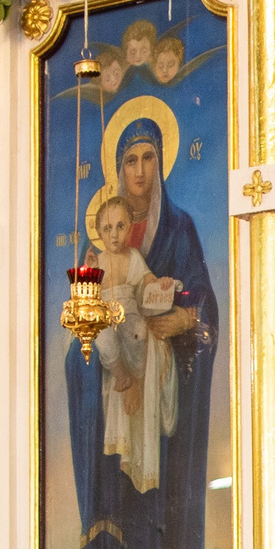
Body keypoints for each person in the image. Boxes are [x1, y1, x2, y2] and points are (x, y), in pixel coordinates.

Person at [64, 112, 223, 549]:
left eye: (147, 159)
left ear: (161, 163)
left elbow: (201, 307)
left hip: (165, 418)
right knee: (119, 530)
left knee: (162, 521)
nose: (138, 171)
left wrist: (185, 322)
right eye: (128, 161)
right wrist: (108, 362)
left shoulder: (179, 229)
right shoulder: (97, 252)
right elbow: (81, 335)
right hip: (111, 415)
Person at [88, 194, 182, 497]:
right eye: (107, 228)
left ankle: (133, 379)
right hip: (108, 323)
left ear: (130, 228)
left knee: (137, 332)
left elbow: (147, 285)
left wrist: (162, 284)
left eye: (120, 227)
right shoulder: (99, 262)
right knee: (104, 337)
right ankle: (124, 378)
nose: (114, 235)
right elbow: (86, 297)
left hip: (133, 326)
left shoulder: (132, 258)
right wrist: (89, 273)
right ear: (99, 232)